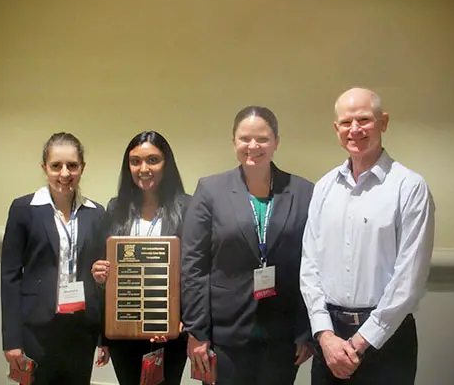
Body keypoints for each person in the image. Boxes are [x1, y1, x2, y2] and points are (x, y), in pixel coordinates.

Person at [300, 87, 436, 384]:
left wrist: (360, 342)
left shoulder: (409, 187)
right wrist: (324, 336)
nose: (355, 129)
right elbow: (309, 265)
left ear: (383, 122)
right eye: (346, 122)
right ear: (336, 129)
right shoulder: (324, 188)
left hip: (386, 339)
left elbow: (408, 279)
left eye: (364, 119)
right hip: (329, 340)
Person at [181, 106, 314, 385]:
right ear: (234, 142)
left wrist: (305, 330)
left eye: (262, 139)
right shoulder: (210, 190)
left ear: (276, 141)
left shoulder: (303, 192)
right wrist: (196, 331)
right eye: (244, 139)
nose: (253, 146)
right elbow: (193, 265)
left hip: (282, 336)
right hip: (224, 335)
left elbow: (311, 265)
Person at [0, 132, 110, 384]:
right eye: (56, 166)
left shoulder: (96, 213)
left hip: (81, 328)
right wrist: (12, 340)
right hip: (37, 328)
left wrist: (104, 337)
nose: (64, 173)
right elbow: (10, 278)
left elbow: (101, 279)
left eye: (72, 165)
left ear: (82, 167)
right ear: (44, 168)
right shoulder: (24, 209)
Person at [90, 130, 191, 384]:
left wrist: (185, 320)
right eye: (135, 161)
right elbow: (108, 270)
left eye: (153, 160)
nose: (143, 168)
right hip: (125, 329)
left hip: (170, 332)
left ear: (166, 164)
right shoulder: (115, 208)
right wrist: (100, 274)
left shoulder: (187, 207)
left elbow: (194, 270)